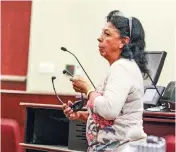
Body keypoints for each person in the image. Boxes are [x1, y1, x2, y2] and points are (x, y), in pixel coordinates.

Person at [62, 10, 149, 151]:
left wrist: (88, 89)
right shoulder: (119, 67)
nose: (99, 38)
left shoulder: (122, 67)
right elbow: (112, 119)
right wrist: (81, 115)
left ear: (123, 42)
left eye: (107, 34)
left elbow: (109, 110)